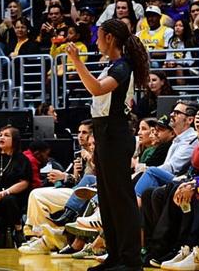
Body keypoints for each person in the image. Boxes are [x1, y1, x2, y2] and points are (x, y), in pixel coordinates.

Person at [66, 18, 150, 270]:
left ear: (110, 38)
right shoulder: (113, 65)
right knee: (107, 199)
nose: (96, 41)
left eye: (99, 36)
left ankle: (130, 259)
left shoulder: (122, 66)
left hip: (116, 134)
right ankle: (115, 256)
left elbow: (97, 88)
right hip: (105, 133)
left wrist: (77, 61)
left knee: (121, 199)